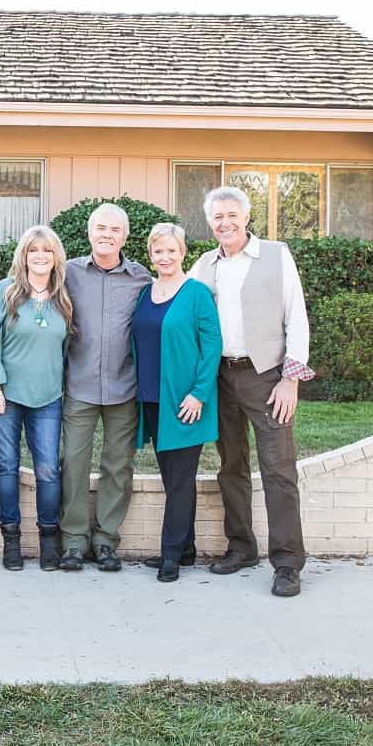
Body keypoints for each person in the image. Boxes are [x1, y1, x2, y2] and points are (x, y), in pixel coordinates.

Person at [188, 187, 315, 597]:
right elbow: (180, 305)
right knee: (231, 466)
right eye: (217, 217)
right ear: (210, 224)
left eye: (231, 215)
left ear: (246, 217)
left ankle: (288, 563)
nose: (225, 223)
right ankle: (241, 547)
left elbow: (296, 316)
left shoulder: (276, 255)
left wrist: (290, 378)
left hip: (266, 376)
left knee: (278, 469)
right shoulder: (205, 264)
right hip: (220, 377)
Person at [0, 225, 71, 571]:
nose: (40, 256)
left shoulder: (63, 296)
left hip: (48, 397)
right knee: (7, 468)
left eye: (47, 250)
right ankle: (11, 540)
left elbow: (66, 348)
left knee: (48, 471)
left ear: (56, 257)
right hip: (6, 396)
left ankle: (48, 541)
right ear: (23, 255)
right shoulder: (6, 291)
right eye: (33, 250)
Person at [60, 202, 153, 571]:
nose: (107, 235)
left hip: (123, 387)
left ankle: (106, 541)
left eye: (115, 230)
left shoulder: (141, 277)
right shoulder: (68, 273)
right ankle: (72, 540)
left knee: (118, 466)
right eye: (101, 228)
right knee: (74, 464)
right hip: (79, 385)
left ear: (125, 237)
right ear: (89, 232)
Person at [132, 223, 222, 582]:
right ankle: (186, 549)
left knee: (181, 479)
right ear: (150, 256)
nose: (165, 257)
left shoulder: (197, 293)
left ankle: (170, 554)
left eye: (171, 250)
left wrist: (199, 393)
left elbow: (211, 345)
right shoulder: (145, 293)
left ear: (183, 252)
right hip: (152, 400)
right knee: (172, 479)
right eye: (158, 251)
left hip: (186, 403)